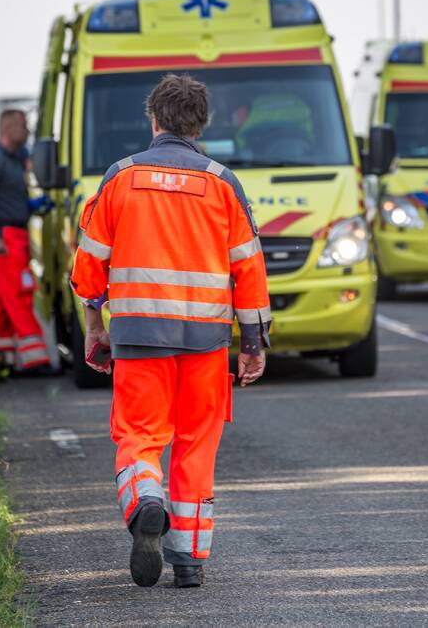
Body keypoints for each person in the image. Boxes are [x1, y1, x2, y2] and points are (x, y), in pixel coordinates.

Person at [71, 74, 270, 589]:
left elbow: (89, 268)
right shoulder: (223, 183)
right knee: (195, 444)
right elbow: (248, 268)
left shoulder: (120, 178)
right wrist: (252, 343)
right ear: (201, 125)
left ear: (153, 119)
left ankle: (145, 502)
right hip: (205, 342)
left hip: (138, 337)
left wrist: (96, 328)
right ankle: (188, 560)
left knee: (140, 437)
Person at [0, 109, 55, 373]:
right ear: (8, 128)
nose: (27, 130)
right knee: (18, 293)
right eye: (23, 125)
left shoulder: (15, 160)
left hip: (15, 234)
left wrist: (31, 205)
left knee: (4, 297)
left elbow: (9, 199)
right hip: (4, 237)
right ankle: (35, 360)